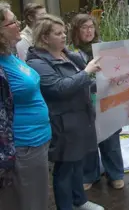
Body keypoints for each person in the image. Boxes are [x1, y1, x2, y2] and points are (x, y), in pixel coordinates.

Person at [25, 14, 104, 210]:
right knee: (64, 169)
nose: (63, 37)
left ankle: (80, 201)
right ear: (44, 38)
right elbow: (59, 88)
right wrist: (87, 72)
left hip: (80, 118)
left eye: (64, 32)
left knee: (77, 163)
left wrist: (100, 84)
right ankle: (65, 206)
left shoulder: (66, 53)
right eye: (58, 33)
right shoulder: (37, 62)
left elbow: (80, 83)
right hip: (63, 123)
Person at [0, 2, 51, 210]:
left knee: (38, 198)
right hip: (23, 145)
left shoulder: (10, 55)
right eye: (12, 22)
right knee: (30, 203)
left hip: (37, 140)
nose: (18, 24)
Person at [67, 14, 125, 190]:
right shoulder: (69, 51)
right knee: (88, 140)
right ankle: (90, 174)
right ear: (76, 30)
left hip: (107, 99)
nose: (89, 30)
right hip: (84, 102)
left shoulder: (104, 48)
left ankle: (115, 174)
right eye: (84, 27)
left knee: (111, 139)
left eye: (91, 26)